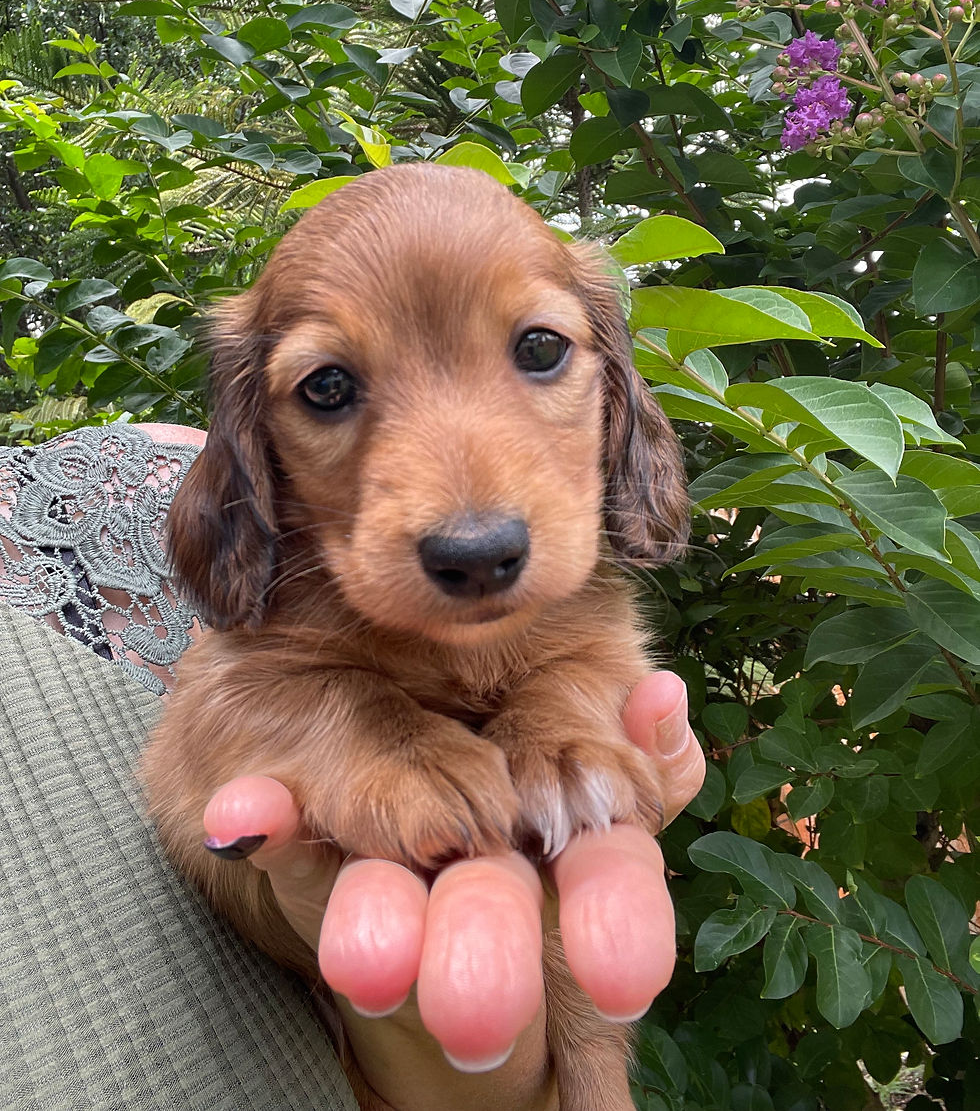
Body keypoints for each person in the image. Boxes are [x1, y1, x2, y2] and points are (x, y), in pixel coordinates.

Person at [0, 422, 705, 1111]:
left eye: (538, 352)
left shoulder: (137, 473)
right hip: (235, 1027)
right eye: (332, 390)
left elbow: (597, 654)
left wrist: (560, 720)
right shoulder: (264, 532)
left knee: (583, 1036)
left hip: (455, 1035)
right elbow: (233, 678)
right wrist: (362, 727)